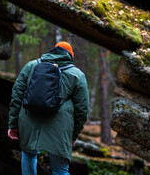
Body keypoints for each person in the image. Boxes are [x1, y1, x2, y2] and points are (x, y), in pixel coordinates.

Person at [8, 41, 90, 175]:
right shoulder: (77, 75)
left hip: (29, 121)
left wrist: (13, 124)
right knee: (59, 169)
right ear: (70, 55)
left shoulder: (31, 66)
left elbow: (17, 95)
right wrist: (73, 135)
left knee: (29, 155)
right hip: (59, 127)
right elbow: (83, 109)